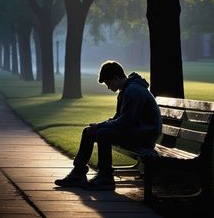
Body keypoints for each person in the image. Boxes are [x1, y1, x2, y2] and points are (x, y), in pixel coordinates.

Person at [54, 60, 162, 191]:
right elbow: (119, 119)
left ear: (116, 78)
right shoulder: (127, 90)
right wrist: (99, 126)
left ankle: (105, 177)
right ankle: (79, 173)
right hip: (136, 131)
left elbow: (125, 122)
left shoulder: (133, 91)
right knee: (88, 132)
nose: (108, 87)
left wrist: (100, 127)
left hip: (144, 137)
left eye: (108, 83)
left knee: (103, 134)